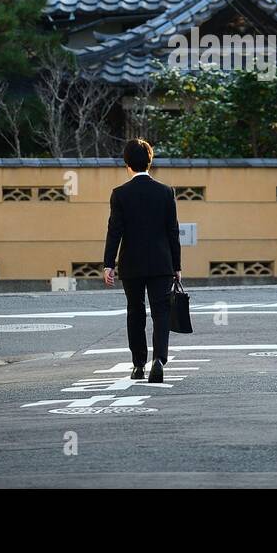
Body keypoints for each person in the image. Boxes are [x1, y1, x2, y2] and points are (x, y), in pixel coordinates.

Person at [103, 138, 181, 383]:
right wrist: (176, 266)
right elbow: (172, 232)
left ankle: (138, 365)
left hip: (131, 263)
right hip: (161, 263)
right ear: (150, 161)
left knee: (135, 312)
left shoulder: (120, 194)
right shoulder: (165, 192)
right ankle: (159, 359)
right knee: (161, 312)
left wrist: (109, 264)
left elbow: (114, 231)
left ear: (127, 164)